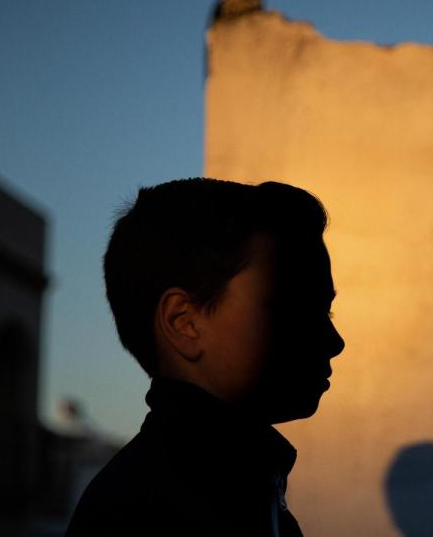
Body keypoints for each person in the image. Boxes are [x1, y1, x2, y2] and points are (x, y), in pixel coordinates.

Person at [66, 178, 344, 536]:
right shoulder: (151, 512)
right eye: (293, 309)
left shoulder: (243, 488)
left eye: (326, 312)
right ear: (184, 323)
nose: (334, 341)